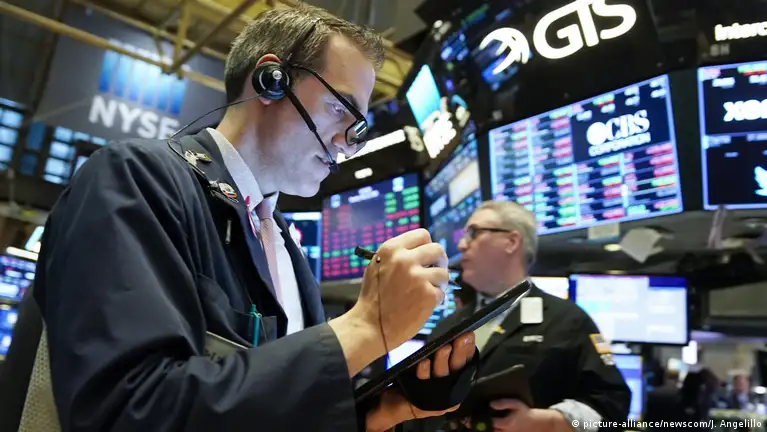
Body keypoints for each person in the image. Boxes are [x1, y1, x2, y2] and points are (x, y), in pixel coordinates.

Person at [31, 5, 477, 432]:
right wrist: (363, 326)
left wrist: (372, 414)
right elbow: (131, 412)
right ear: (271, 81)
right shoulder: (135, 179)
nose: (346, 141)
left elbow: (266, 405)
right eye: (340, 109)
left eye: (357, 127)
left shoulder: (285, 247)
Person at [409, 201, 630, 432]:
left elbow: (613, 407)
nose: (462, 245)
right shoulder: (447, 326)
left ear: (512, 242)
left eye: (474, 233)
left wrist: (546, 422)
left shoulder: (567, 321)